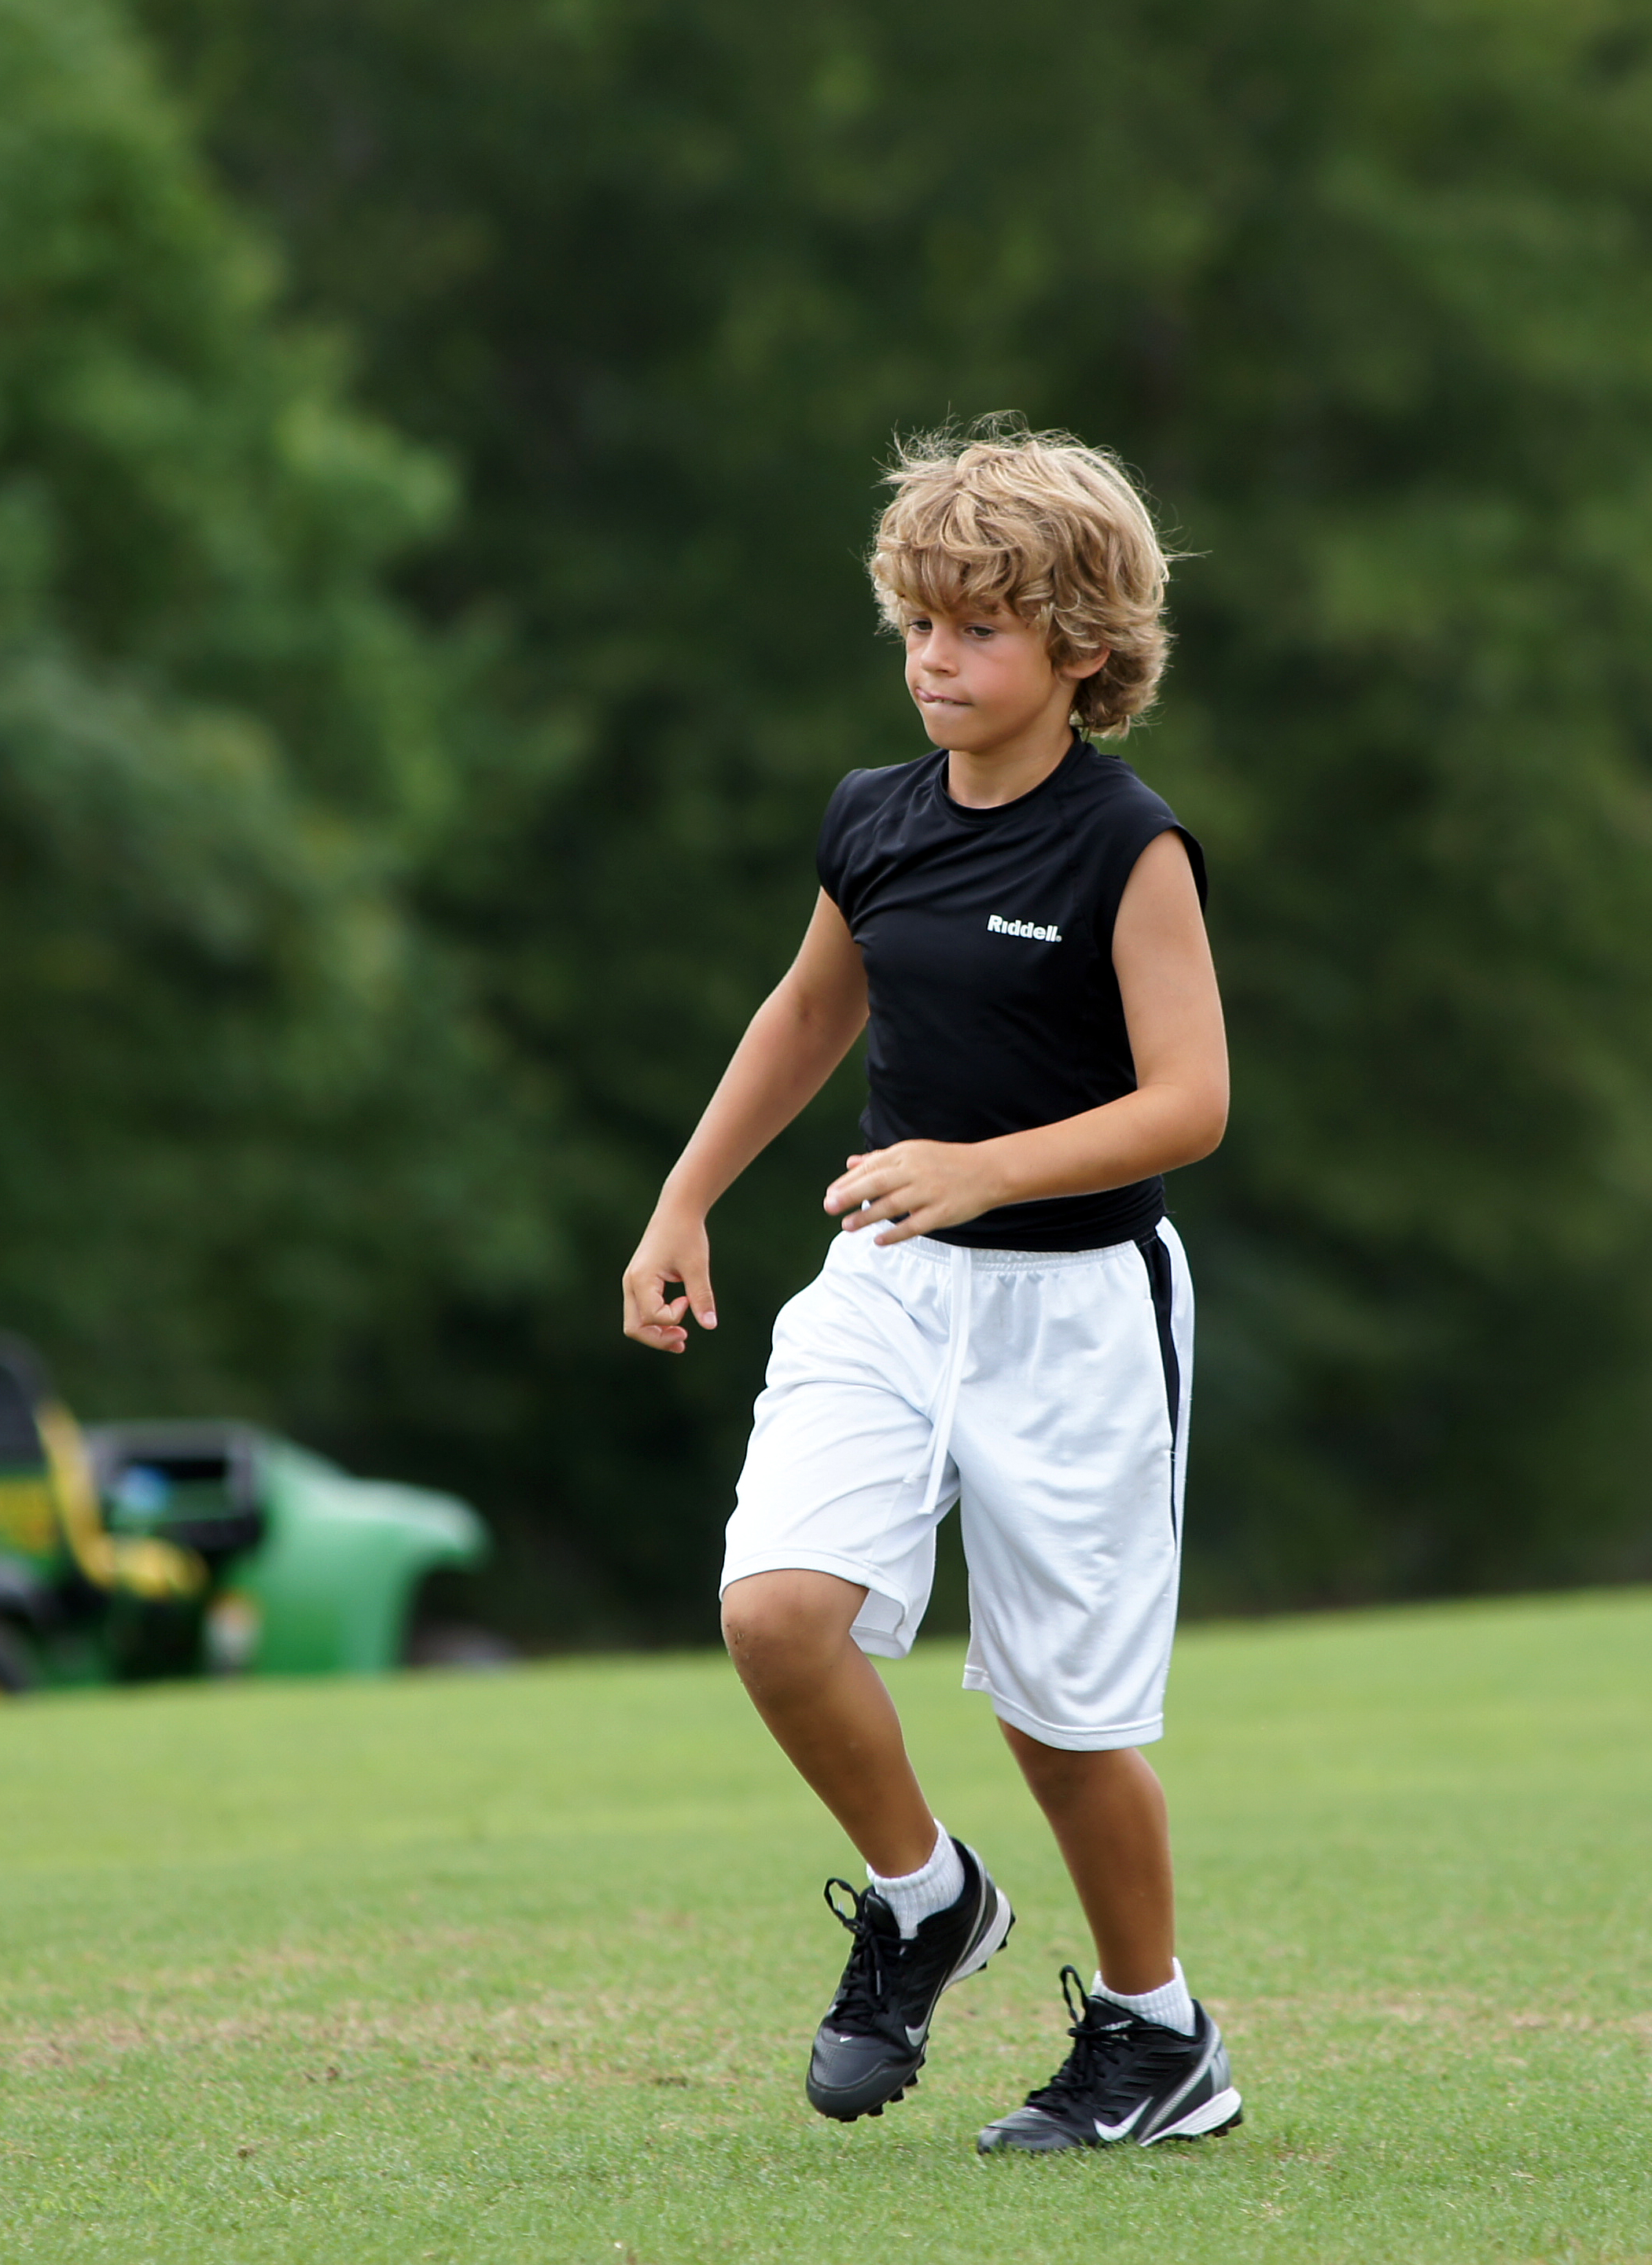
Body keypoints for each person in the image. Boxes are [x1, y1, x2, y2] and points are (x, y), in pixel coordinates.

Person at [620, 422, 1241, 2153]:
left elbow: (1191, 1102)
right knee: (773, 1616)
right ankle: (925, 1899)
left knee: (1062, 1727)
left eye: (977, 629)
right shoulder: (872, 818)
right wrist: (682, 1202)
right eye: (917, 625)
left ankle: (1158, 2037)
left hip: (1082, 1315)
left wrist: (985, 1167)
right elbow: (812, 1010)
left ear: (1082, 649)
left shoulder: (1128, 846)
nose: (934, 661)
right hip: (886, 1288)